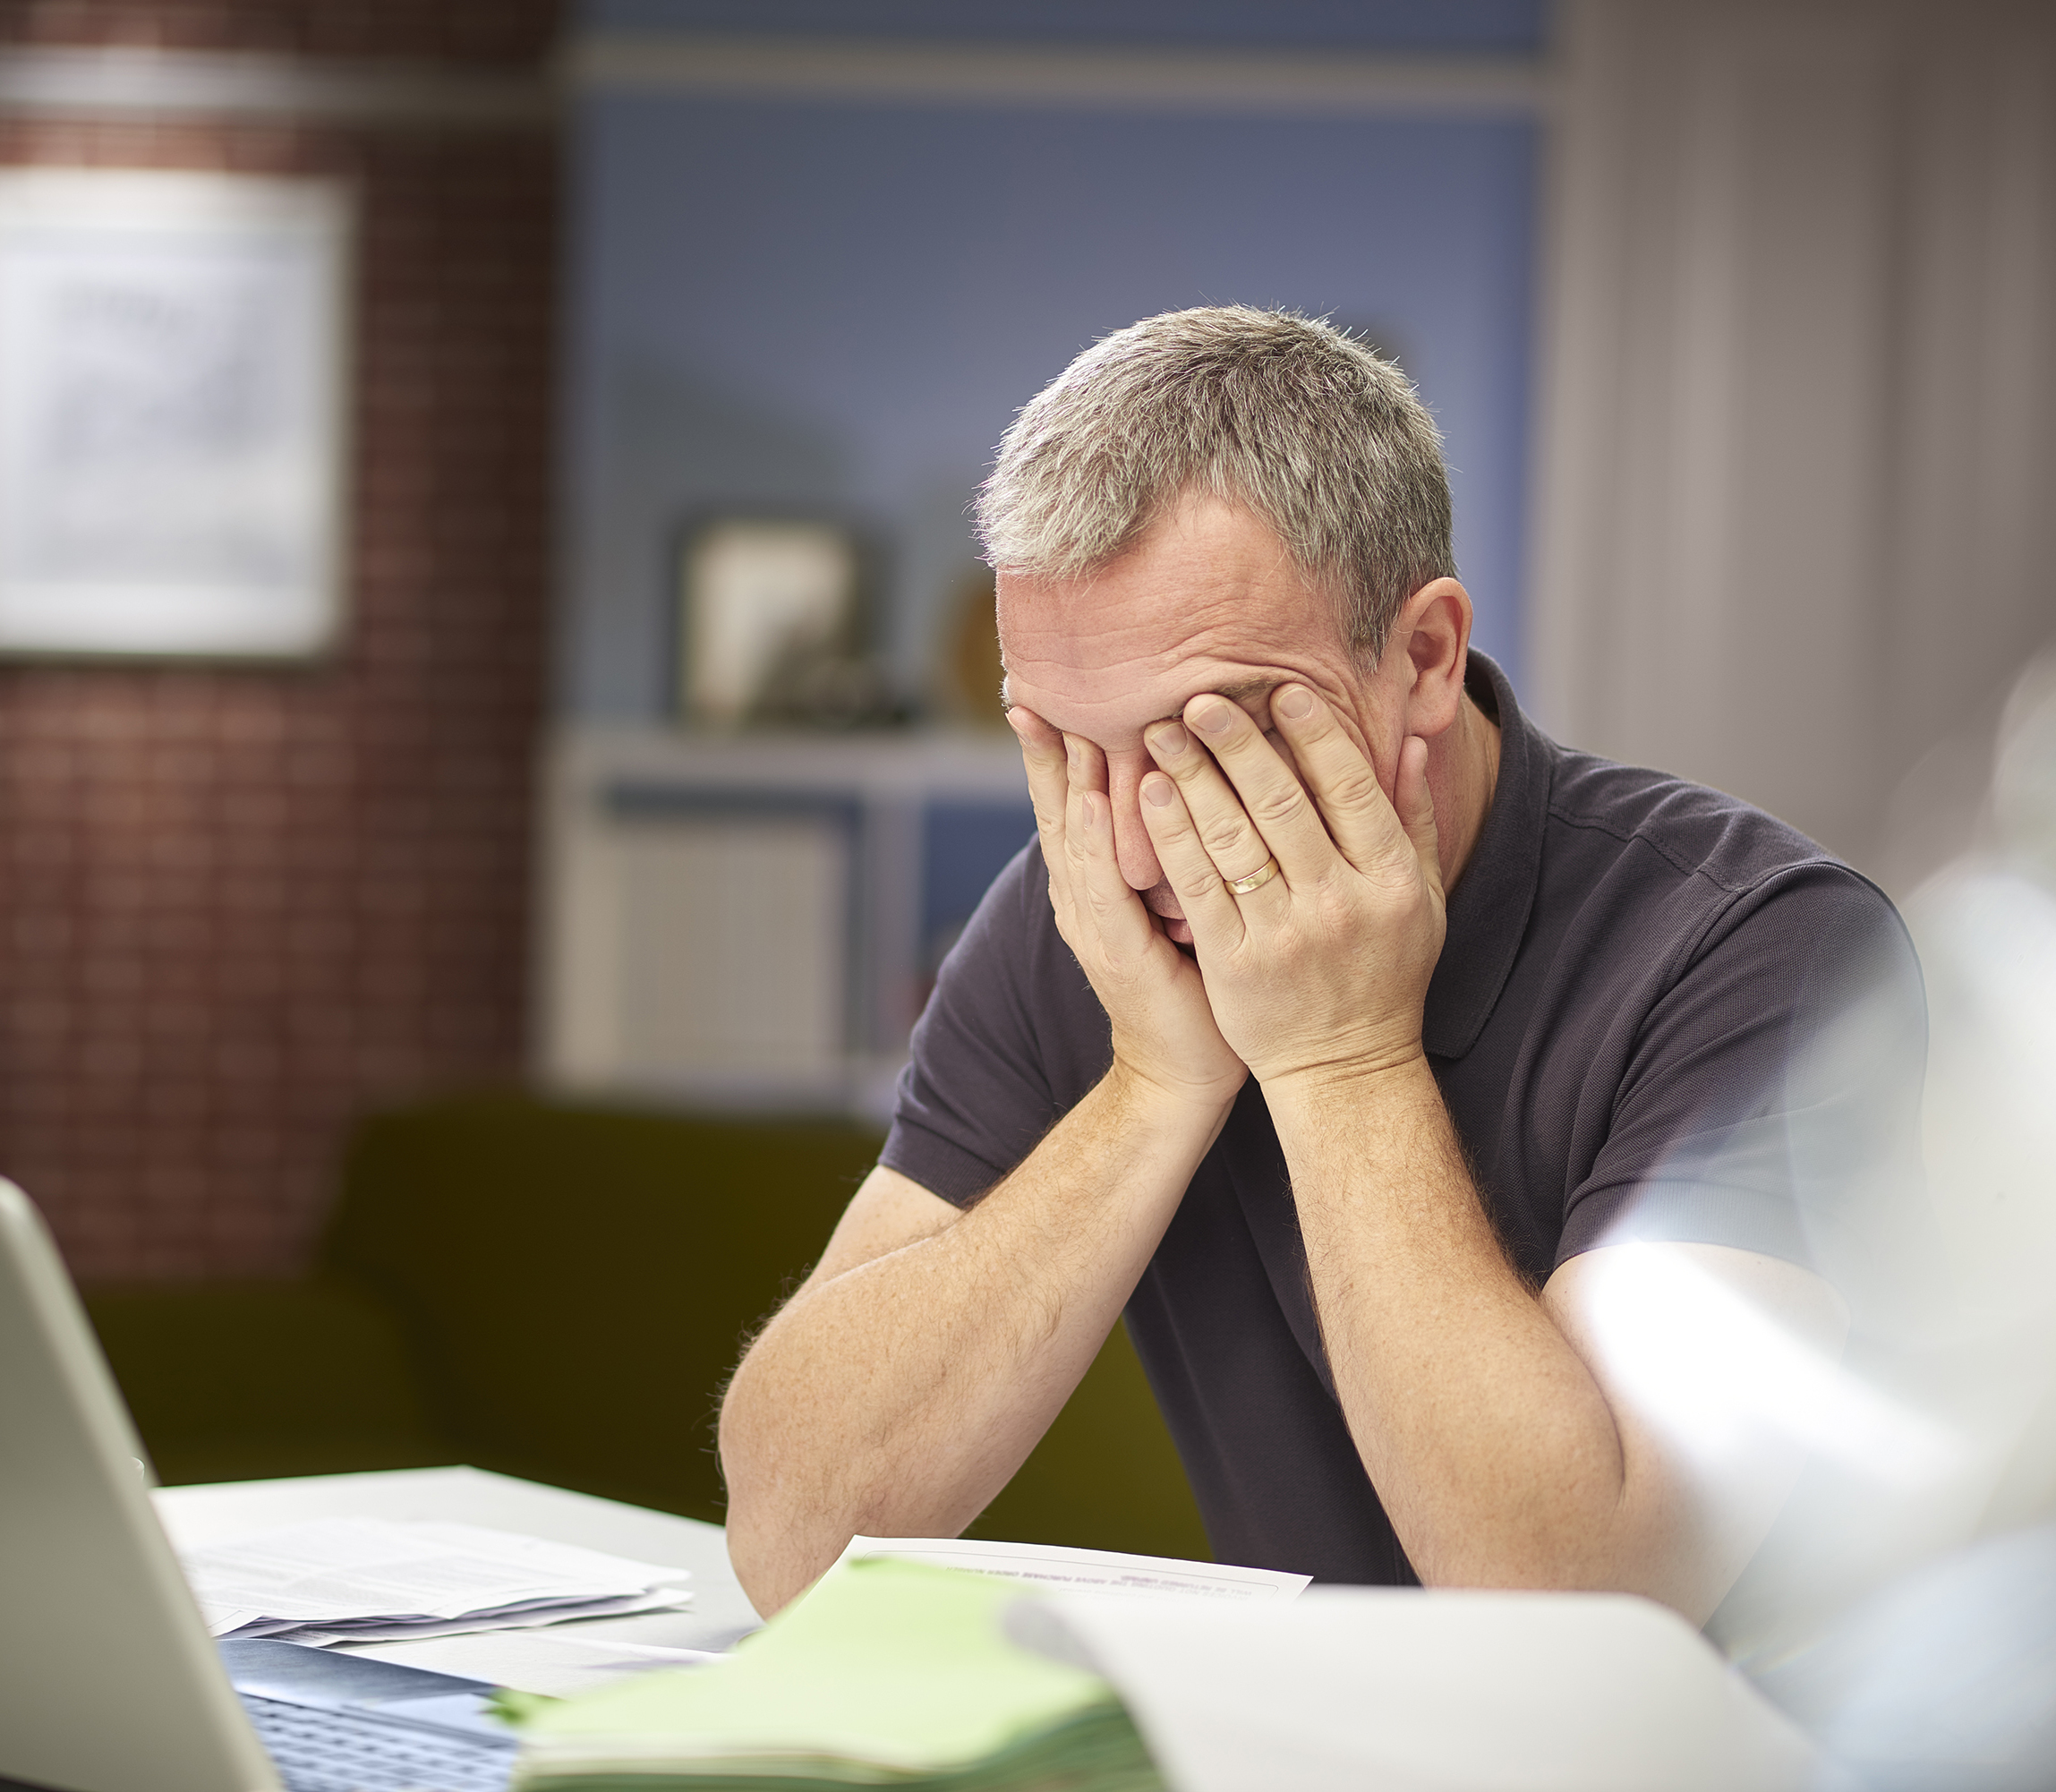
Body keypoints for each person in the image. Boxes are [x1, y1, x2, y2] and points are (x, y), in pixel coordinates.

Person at [717, 306, 1925, 1623]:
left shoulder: (1765, 951)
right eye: (1066, 747)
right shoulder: (1085, 910)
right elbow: (791, 1531)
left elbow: (1576, 1598)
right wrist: (1150, 1083)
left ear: (1423, 658)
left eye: (1208, 739)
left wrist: (1342, 1054)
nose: (1133, 839)